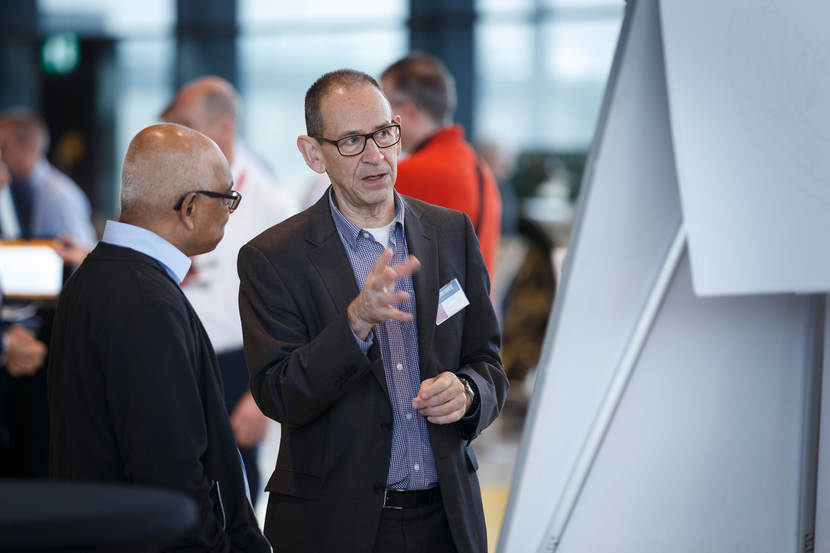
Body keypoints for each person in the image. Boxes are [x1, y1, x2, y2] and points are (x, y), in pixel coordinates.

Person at [238, 69, 508, 553]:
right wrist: (355, 323)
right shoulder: (273, 258)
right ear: (313, 153)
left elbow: (489, 363)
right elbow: (279, 395)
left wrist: (468, 393)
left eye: (384, 133)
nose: (375, 155)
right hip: (335, 525)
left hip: (447, 520)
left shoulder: (451, 233)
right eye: (351, 141)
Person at [48, 123, 270, 553]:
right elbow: (171, 478)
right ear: (190, 207)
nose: (230, 211)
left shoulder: (103, 273)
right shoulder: (143, 300)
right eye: (227, 198)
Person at [162, 77, 298, 503]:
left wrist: (262, 402)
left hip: (236, 368)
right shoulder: (168, 189)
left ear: (223, 127)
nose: (177, 137)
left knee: (230, 498)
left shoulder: (271, 203)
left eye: (187, 125)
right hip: (171, 357)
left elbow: (296, 311)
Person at [381, 54, 502, 284]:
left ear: (409, 111)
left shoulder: (407, 173)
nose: (380, 122)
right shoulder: (481, 169)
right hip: (474, 306)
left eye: (384, 109)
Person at [0, 109, 96, 249]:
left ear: (27, 148)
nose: (0, 155)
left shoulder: (59, 195)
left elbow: (84, 253)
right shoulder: (12, 187)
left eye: (3, 147)